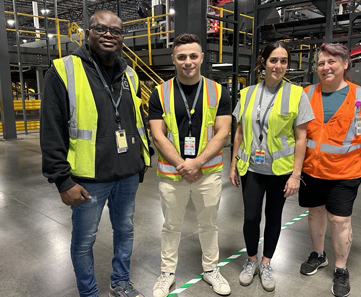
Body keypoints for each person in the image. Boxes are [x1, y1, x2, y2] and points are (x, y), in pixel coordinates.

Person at [40, 10, 150, 297]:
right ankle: (89, 293)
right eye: (101, 29)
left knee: (125, 231)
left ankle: (120, 283)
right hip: (88, 179)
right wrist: (62, 180)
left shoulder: (129, 74)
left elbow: (135, 120)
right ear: (87, 32)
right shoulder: (63, 70)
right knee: (84, 240)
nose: (109, 35)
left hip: (126, 173)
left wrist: (141, 159)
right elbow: (51, 129)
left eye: (116, 31)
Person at [147, 33, 232, 297]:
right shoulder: (160, 93)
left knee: (209, 225)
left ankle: (211, 270)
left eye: (193, 56)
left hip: (207, 174)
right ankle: (167, 273)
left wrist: (197, 162)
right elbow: (157, 135)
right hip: (172, 175)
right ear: (173, 58)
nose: (187, 62)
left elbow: (223, 132)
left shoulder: (218, 91)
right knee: (171, 226)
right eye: (181, 56)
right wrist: (184, 165)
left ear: (202, 58)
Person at [229, 41, 314, 292]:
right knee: (251, 216)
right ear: (263, 63)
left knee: (273, 217)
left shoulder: (297, 94)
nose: (278, 66)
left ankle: (266, 263)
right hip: (251, 169)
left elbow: (301, 138)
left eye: (283, 61)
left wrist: (296, 175)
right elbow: (239, 133)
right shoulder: (248, 93)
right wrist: (233, 165)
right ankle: (251, 260)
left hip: (280, 171)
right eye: (273, 60)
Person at [298, 43, 361, 297]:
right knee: (315, 214)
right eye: (321, 63)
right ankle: (318, 254)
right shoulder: (306, 94)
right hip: (311, 170)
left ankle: (341, 268)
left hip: (346, 172)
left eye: (332, 62)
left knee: (340, 220)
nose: (326, 67)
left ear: (346, 64)